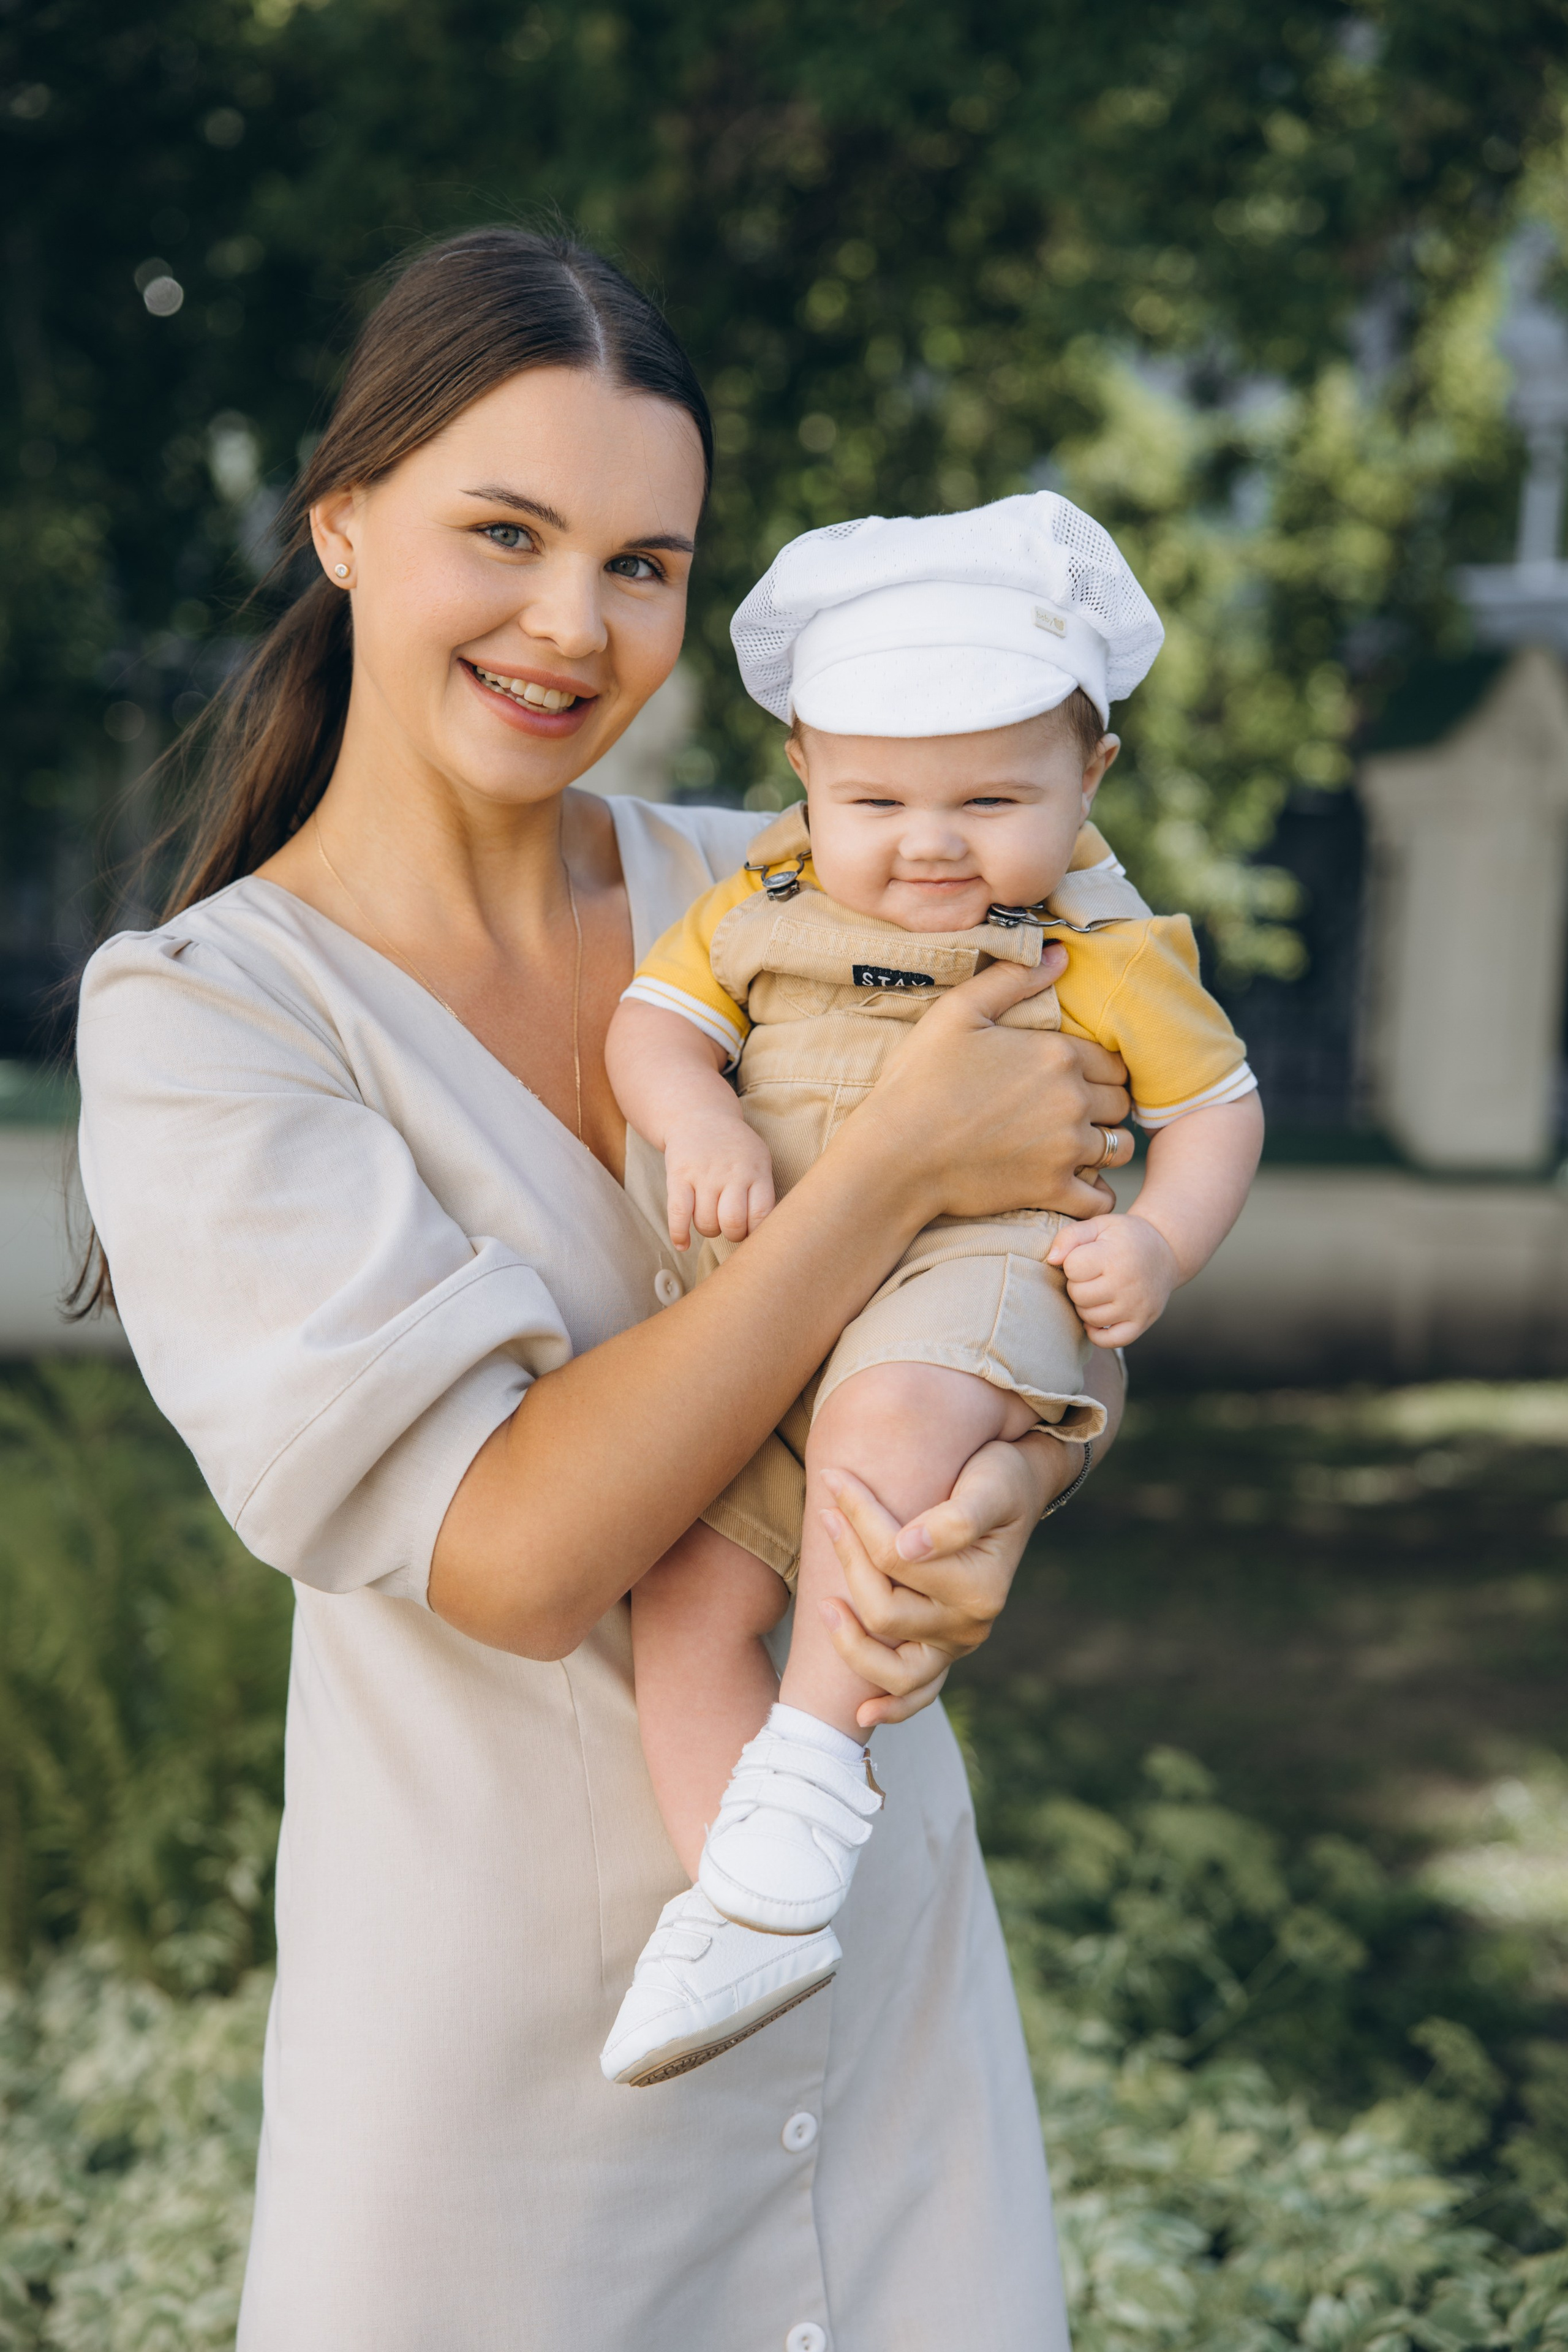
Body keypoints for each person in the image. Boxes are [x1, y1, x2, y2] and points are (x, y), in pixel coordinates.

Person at [75, 228, 1134, 2352]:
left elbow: (1034, 1242)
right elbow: (516, 1554)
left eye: (644, 564)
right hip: (503, 2125)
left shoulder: (781, 881)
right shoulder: (211, 1023)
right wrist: (891, 1166)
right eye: (507, 533)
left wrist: (1010, 1487)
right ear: (345, 520)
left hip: (882, 2008)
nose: (576, 625)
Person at [601, 496, 1264, 2084]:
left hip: (957, 1285)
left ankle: (815, 1765)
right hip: (751, 1320)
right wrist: (693, 1113)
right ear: (807, 779)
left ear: (1089, 780)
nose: (931, 841)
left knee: (890, 1440)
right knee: (688, 1609)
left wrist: (1159, 1245)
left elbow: (1215, 1113)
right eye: (878, 796)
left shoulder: (1092, 947)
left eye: (991, 796)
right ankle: (753, 1914)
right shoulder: (758, 902)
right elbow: (654, 1021)